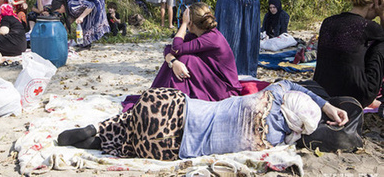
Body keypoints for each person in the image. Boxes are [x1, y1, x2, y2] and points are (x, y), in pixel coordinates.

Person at [57, 80, 348, 161]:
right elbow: (296, 136)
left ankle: (98, 128)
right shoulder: (271, 142)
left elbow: (293, 85)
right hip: (172, 146)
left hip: (172, 107)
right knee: (131, 143)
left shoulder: (272, 94)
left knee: (133, 117)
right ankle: (96, 142)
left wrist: (326, 105)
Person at [151, 2, 242, 101]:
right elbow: (170, 48)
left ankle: (170, 99)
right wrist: (173, 61)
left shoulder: (212, 38)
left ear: (191, 23)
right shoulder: (198, 34)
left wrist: (184, 24)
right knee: (181, 59)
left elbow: (176, 48)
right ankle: (166, 98)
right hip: (214, 83)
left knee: (186, 59)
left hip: (226, 90)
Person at [314, 0, 384, 108]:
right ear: (374, 4)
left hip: (322, 89)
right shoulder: (367, 26)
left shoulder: (328, 21)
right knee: (381, 44)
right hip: (356, 95)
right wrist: (383, 14)